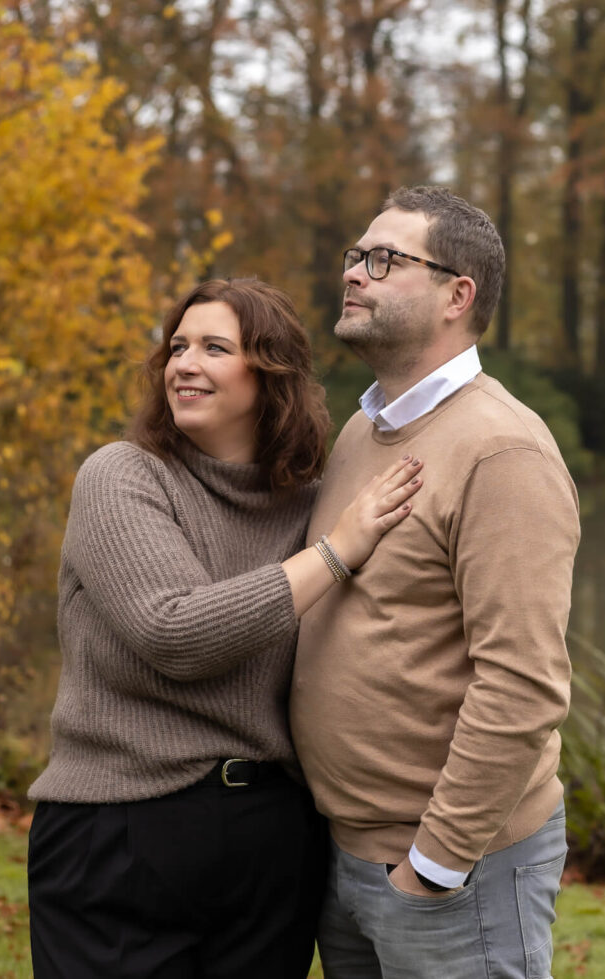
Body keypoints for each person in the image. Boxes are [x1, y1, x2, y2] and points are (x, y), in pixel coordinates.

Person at [26, 277, 424, 979]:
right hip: (118, 829)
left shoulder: (311, 501)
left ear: (269, 373)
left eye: (214, 347)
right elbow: (175, 632)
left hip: (270, 839)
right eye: (177, 346)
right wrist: (333, 553)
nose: (184, 363)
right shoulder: (122, 477)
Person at [290, 186, 581, 979]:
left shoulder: (501, 451)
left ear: (460, 294)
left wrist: (435, 864)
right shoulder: (363, 429)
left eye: (386, 260)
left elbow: (522, 683)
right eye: (356, 256)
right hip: (347, 854)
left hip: (452, 873)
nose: (356, 273)